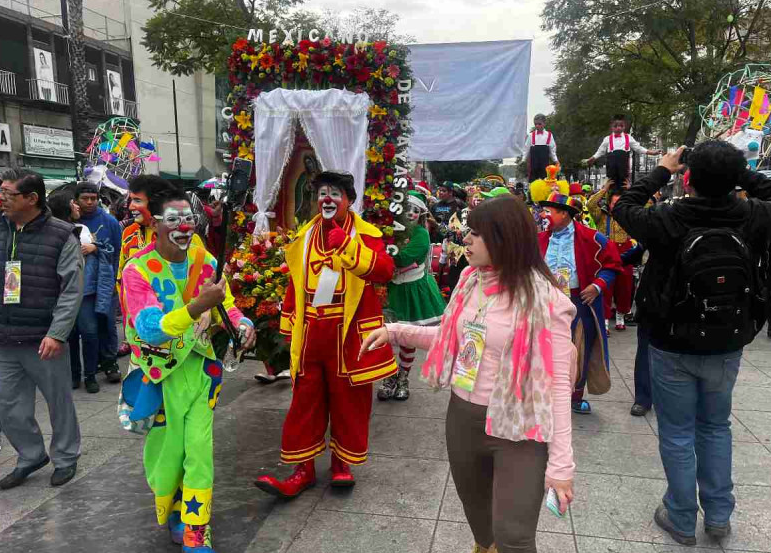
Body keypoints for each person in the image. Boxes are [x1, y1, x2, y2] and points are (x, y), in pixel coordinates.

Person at [362, 196, 577, 553]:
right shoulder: (469, 280)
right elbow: (452, 338)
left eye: (476, 234)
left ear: (504, 238)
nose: (465, 239)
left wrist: (561, 464)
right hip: (463, 419)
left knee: (514, 536)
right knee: (482, 527)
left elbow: (556, 386)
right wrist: (396, 331)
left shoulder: (548, 301)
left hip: (520, 429)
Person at [612, 142, 771, 546]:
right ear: (736, 179)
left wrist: (660, 170)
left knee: (678, 431)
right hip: (727, 339)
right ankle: (719, 514)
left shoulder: (667, 218)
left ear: (688, 177)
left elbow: (623, 205)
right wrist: (738, 173)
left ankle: (682, 517)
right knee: (716, 427)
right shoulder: (753, 216)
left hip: (671, 341)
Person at [121, 186, 255, 552]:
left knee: (198, 450)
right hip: (158, 376)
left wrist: (243, 325)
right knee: (167, 457)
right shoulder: (137, 269)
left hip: (201, 372)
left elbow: (227, 305)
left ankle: (197, 528)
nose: (183, 226)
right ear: (156, 224)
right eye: (174, 220)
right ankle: (175, 507)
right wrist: (198, 306)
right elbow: (149, 327)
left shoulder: (206, 261)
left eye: (189, 219)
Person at [254, 171, 396, 498]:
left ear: (348, 200)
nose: (327, 199)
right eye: (321, 194)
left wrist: (348, 247)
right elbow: (294, 283)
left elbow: (385, 271)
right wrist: (289, 328)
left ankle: (341, 464)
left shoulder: (366, 234)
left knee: (349, 402)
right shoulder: (304, 237)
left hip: (347, 334)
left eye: (334, 193)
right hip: (311, 332)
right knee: (304, 403)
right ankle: (301, 471)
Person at [0, 169, 83, 489]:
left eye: (8, 194)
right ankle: (31, 454)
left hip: (44, 336)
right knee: (7, 404)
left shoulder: (62, 235)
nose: (2, 199)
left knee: (58, 400)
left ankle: (64, 457)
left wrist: (58, 333)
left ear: (32, 198)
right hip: (5, 336)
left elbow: (72, 289)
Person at [538, 192, 622, 415]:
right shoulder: (538, 239)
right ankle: (543, 392)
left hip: (578, 301)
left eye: (548, 211)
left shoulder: (592, 238)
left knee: (579, 349)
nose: (543, 215)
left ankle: (575, 395)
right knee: (541, 347)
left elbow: (613, 264)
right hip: (544, 303)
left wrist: (597, 286)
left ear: (564, 214)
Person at [118, 176, 208, 358]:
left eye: (137, 200)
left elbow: (204, 279)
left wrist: (205, 309)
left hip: (186, 336)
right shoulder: (128, 234)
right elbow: (121, 278)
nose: (130, 207)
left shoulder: (191, 241)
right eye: (130, 200)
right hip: (144, 338)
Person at [378, 191, 446, 401]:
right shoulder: (390, 231)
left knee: (407, 336)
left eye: (416, 210)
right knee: (386, 336)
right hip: (392, 289)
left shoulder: (421, 233)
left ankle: (403, 378)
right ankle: (388, 376)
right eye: (408, 209)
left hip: (413, 289)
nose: (411, 214)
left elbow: (406, 257)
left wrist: (386, 253)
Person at [49, 192, 115, 393]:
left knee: (90, 333)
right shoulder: (51, 232)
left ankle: (91, 375)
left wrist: (94, 247)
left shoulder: (83, 228)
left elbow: (106, 249)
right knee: (68, 335)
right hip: (62, 291)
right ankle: (74, 375)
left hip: (86, 291)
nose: (78, 206)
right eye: (73, 203)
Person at [75, 182, 122, 384]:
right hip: (80, 285)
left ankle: (110, 362)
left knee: (107, 323)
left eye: (93, 198)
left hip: (106, 282)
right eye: (85, 198)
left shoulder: (110, 222)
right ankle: (88, 369)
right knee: (87, 328)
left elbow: (118, 252)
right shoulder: (69, 221)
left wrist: (116, 280)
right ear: (76, 201)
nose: (89, 202)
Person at [587, 179, 637, 330]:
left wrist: (631, 190)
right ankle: (605, 321)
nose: (616, 205)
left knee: (625, 287)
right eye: (614, 202)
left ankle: (620, 317)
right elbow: (590, 204)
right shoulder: (600, 216)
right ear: (609, 203)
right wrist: (604, 189)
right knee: (606, 287)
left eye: (619, 202)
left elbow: (647, 204)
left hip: (625, 254)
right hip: (607, 254)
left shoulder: (630, 214)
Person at [584, 114, 661, 189]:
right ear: (611, 127)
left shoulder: (628, 138)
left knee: (623, 184)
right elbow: (600, 151)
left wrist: (652, 152)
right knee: (611, 184)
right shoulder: (607, 139)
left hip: (623, 168)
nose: (618, 128)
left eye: (621, 126)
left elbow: (638, 148)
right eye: (616, 126)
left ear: (624, 126)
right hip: (611, 168)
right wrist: (593, 158)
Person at [524, 114, 559, 182]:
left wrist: (556, 160)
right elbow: (526, 149)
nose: (537, 126)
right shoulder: (531, 135)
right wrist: (523, 159)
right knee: (534, 181)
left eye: (539, 124)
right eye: (535, 124)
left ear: (544, 123)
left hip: (545, 164)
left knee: (545, 180)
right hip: (534, 164)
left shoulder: (549, 135)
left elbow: (552, 150)